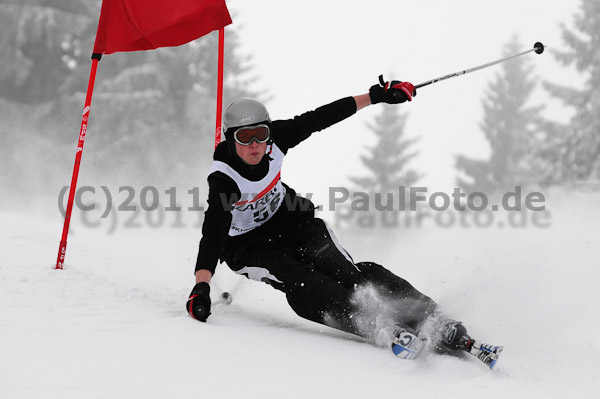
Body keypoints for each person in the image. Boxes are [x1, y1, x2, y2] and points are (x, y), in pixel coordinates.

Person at [186, 77, 501, 366]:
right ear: (231, 139)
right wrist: (201, 285)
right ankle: (374, 321)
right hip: (248, 245)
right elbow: (211, 235)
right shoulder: (224, 180)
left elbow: (320, 117)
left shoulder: (277, 140)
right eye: (245, 137)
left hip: (290, 218)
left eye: (261, 134)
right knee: (301, 279)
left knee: (346, 271)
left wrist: (375, 96)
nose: (255, 145)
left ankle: (432, 317)